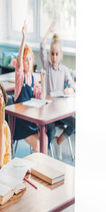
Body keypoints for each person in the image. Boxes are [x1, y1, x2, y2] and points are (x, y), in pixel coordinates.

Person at [40, 21, 76, 159]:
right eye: (52, 54)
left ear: (61, 55)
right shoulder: (47, 66)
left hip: (61, 112)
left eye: (57, 54)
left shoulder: (65, 70)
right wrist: (49, 30)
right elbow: (42, 46)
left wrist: (70, 89)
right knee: (50, 128)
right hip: (49, 113)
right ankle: (47, 152)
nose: (54, 57)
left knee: (74, 123)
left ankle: (59, 141)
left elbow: (73, 85)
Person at [13, 21, 47, 154]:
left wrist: (43, 82)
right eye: (25, 60)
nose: (27, 62)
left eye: (29, 59)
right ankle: (38, 171)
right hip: (20, 122)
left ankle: (44, 168)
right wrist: (24, 38)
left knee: (44, 138)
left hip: (30, 119)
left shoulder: (33, 79)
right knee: (38, 144)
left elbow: (42, 98)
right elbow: (19, 61)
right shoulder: (20, 77)